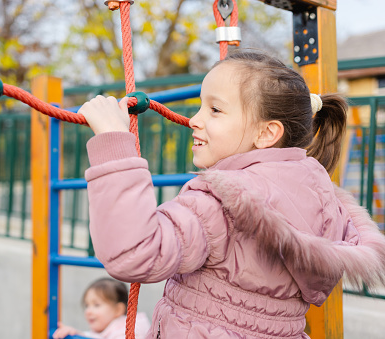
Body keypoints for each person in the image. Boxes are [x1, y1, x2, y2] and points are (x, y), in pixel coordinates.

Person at [78, 51, 385, 338]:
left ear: (266, 133)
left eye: (214, 109)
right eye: (200, 106)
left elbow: (136, 252)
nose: (194, 120)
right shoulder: (322, 201)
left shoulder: (221, 203)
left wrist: (113, 144)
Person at [53, 277, 150, 339]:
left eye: (96, 305)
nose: (88, 311)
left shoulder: (129, 331)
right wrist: (76, 333)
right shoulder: (106, 329)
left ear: (118, 310)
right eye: (87, 305)